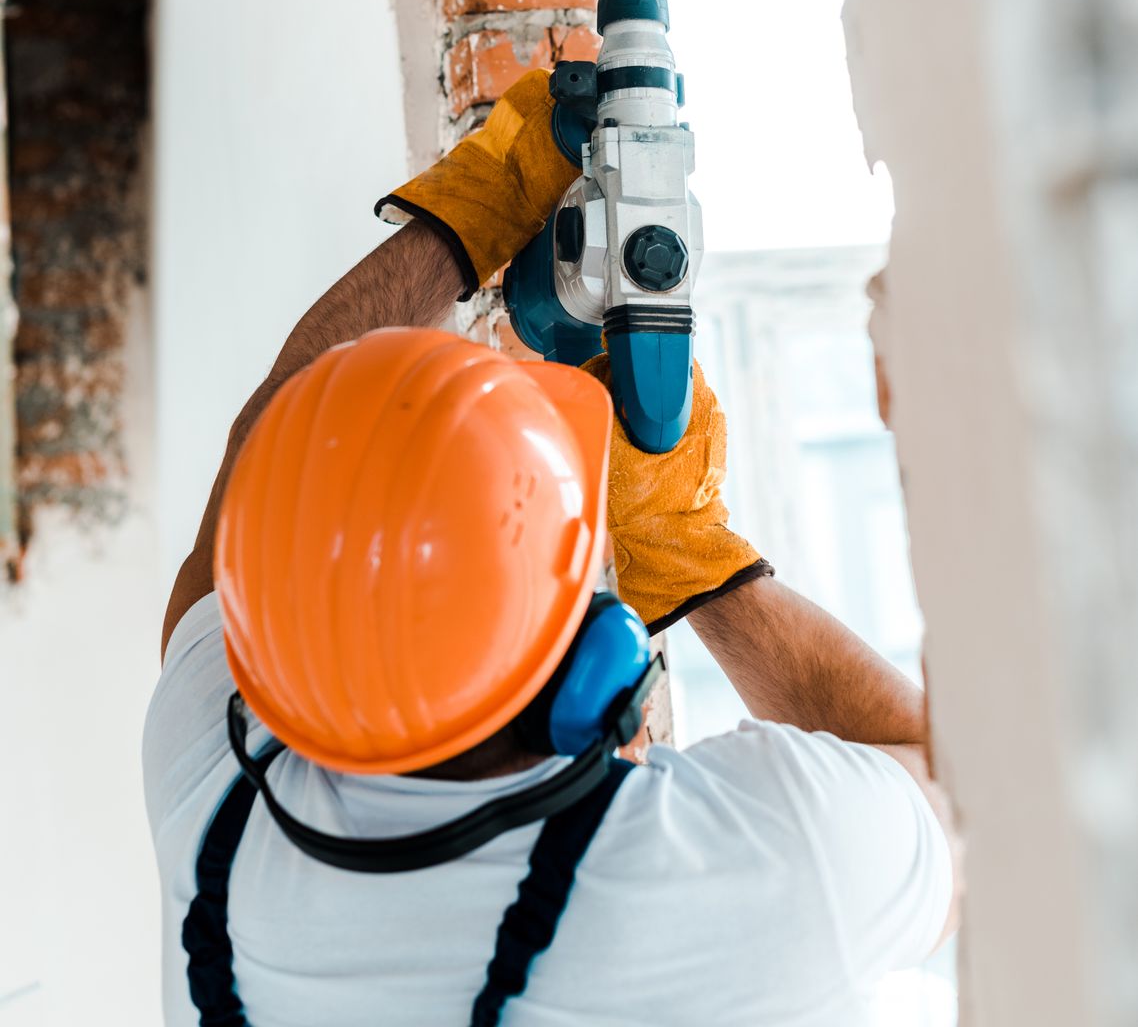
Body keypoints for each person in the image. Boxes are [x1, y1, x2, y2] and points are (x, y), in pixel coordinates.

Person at [145, 71, 961, 1027]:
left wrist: (464, 222)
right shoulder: (749, 863)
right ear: (590, 667)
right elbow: (961, 790)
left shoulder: (221, 796)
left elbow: (273, 450)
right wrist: (690, 554)